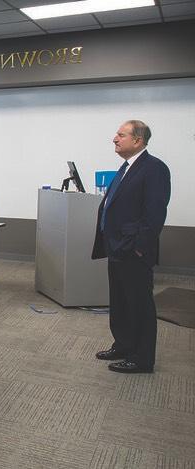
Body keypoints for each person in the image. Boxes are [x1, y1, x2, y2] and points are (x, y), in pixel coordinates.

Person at [92, 120, 171, 374]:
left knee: (139, 304)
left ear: (137, 141)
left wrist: (139, 247)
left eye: (121, 135)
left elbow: (155, 214)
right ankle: (124, 345)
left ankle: (142, 358)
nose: (114, 139)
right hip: (116, 248)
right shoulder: (126, 168)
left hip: (133, 251)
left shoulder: (154, 168)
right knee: (121, 301)